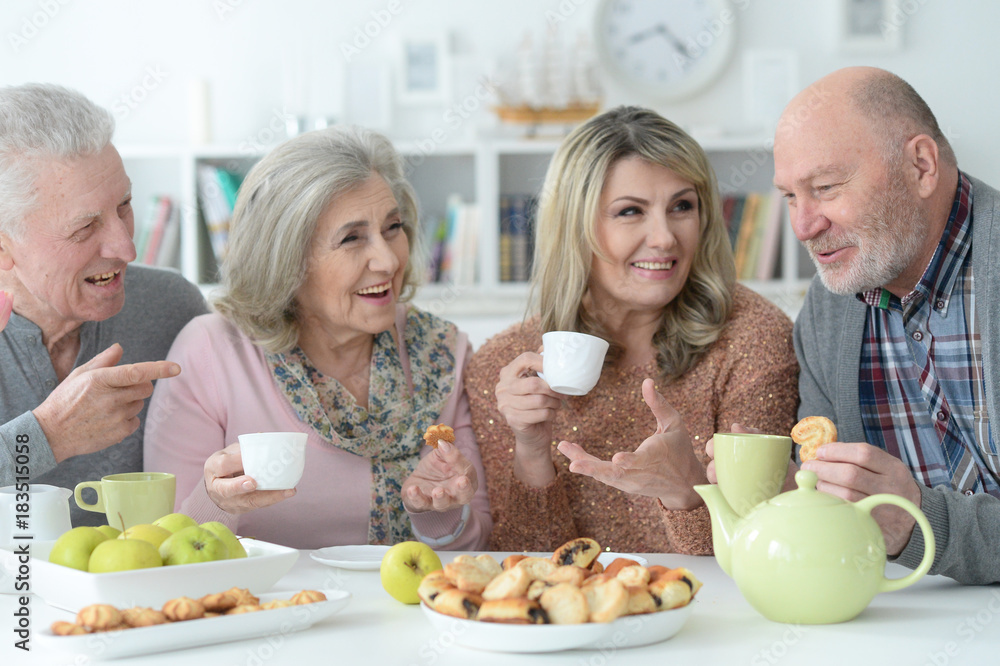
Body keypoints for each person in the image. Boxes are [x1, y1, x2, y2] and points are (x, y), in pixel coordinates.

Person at [465, 106, 799, 554]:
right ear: (575, 226)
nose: (664, 237)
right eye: (630, 212)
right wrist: (530, 449)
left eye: (682, 206)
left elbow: (762, 550)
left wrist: (686, 492)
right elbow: (527, 566)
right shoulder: (504, 364)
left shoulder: (752, 338)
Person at [144, 126, 491, 550]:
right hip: (261, 607)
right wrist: (219, 502)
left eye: (393, 227)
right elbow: (164, 549)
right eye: (351, 238)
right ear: (288, 261)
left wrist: (437, 513)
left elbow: (479, 550)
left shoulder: (443, 352)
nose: (386, 259)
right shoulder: (211, 352)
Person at [771, 66, 1000, 585]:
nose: (803, 226)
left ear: (921, 165)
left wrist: (919, 522)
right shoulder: (828, 313)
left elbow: (901, 524)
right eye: (789, 196)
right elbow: (834, 515)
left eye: (826, 187)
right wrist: (781, 491)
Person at [0, 84, 207, 526]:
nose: (126, 248)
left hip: (138, 590)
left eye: (125, 205)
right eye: (84, 228)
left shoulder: (173, 308)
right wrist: (48, 436)